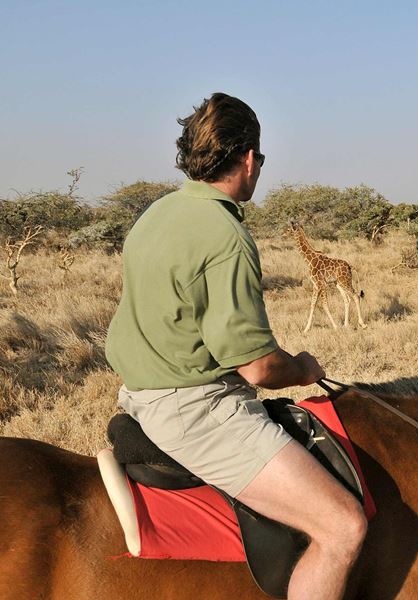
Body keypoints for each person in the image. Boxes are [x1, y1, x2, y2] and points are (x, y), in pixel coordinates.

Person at [105, 92, 367, 600]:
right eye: (261, 160)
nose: (259, 169)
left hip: (140, 391)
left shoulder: (157, 212)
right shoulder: (225, 234)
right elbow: (257, 368)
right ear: (248, 158)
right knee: (343, 527)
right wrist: (304, 368)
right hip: (197, 409)